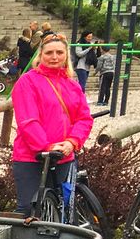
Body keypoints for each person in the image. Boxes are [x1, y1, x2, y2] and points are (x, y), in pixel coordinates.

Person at [9, 34, 92, 219]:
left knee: (66, 211)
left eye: (59, 52)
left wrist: (72, 142)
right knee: (30, 210)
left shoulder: (73, 85)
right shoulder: (27, 82)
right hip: (31, 157)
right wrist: (47, 146)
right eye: (49, 53)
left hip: (65, 156)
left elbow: (84, 118)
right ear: (41, 55)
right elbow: (28, 120)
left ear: (66, 55)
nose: (54, 57)